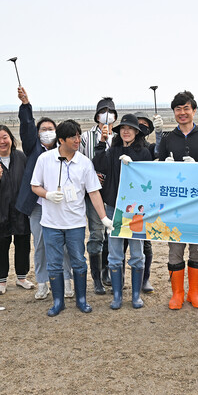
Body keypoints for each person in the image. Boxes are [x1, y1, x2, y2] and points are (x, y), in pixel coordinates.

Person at [31, 120, 114, 316]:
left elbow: (94, 192)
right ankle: (58, 301)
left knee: (78, 261)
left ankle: (81, 299)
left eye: (79, 136)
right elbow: (35, 186)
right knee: (54, 263)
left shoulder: (84, 163)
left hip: (75, 223)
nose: (78, 140)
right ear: (61, 140)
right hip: (51, 223)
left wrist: (103, 218)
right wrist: (47, 194)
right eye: (73, 137)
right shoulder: (44, 159)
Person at [155, 91, 198, 309]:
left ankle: (194, 292)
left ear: (194, 110)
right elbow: (158, 169)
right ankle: (177, 293)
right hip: (175, 205)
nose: (182, 113)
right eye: (178, 109)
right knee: (175, 248)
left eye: (186, 108)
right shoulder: (167, 138)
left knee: (197, 248)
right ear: (174, 112)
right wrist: (166, 165)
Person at [14, 87, 73, 300]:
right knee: (39, 245)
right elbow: (26, 126)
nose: (47, 131)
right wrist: (26, 105)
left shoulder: (64, 149)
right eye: (43, 129)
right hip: (37, 206)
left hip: (59, 204)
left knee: (63, 244)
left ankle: (67, 282)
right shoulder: (33, 148)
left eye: (51, 128)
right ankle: (42, 283)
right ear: (38, 133)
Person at [93, 114, 153, 309]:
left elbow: (147, 179)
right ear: (118, 132)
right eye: (122, 128)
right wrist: (102, 143)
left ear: (137, 131)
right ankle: (117, 295)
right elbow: (98, 164)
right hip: (114, 207)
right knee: (115, 253)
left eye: (130, 128)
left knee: (137, 252)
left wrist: (133, 164)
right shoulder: (113, 151)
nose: (126, 131)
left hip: (136, 210)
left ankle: (135, 296)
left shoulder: (144, 153)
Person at [0, 124, 33, 295]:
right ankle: (1, 281)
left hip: (20, 210)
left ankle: (22, 277)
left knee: (23, 244)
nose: (2, 142)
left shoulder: (22, 157)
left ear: (11, 139)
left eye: (5, 137)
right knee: (1, 245)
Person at [81, 97, 117, 294]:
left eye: (110, 111)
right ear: (96, 115)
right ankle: (96, 279)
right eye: (103, 111)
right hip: (93, 193)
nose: (106, 115)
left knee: (112, 234)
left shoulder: (119, 137)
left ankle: (106, 271)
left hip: (114, 194)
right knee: (96, 234)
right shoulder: (86, 137)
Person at [132, 112, 158, 293]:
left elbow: (159, 153)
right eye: (138, 123)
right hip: (122, 201)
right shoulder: (119, 145)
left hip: (143, 201)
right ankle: (110, 276)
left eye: (145, 125)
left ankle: (144, 278)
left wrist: (161, 134)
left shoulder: (148, 148)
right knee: (116, 241)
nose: (141, 127)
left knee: (145, 242)